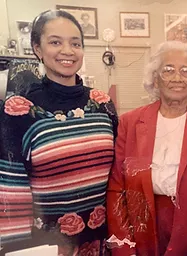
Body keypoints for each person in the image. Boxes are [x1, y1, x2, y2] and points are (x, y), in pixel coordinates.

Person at [0, 10, 118, 255]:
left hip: (103, 240)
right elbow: (11, 193)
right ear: (37, 49)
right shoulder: (18, 111)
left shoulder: (102, 103)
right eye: (55, 42)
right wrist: (19, 249)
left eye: (75, 43)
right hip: (48, 244)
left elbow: (118, 175)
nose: (68, 50)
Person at [107, 41, 187, 256]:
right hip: (143, 233)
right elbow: (116, 191)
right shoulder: (130, 122)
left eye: (185, 71)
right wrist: (124, 249)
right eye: (168, 70)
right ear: (155, 79)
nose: (177, 78)